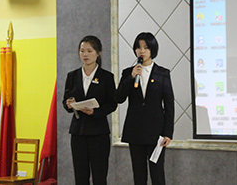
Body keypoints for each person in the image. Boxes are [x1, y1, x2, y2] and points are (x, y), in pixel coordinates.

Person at [116, 32, 174, 185]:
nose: (142, 51)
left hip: (156, 133)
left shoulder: (163, 73)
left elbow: (169, 104)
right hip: (135, 131)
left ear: (152, 49)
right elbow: (119, 98)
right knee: (139, 174)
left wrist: (168, 133)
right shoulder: (128, 73)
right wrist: (131, 77)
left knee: (157, 174)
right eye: (139, 47)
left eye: (146, 47)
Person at [63, 36, 117, 185]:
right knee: (80, 176)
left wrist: (95, 112)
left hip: (98, 133)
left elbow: (112, 104)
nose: (85, 54)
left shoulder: (106, 77)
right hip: (78, 132)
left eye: (89, 51)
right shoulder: (72, 76)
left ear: (98, 53)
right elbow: (66, 100)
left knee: (99, 176)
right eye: (82, 51)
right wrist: (69, 104)